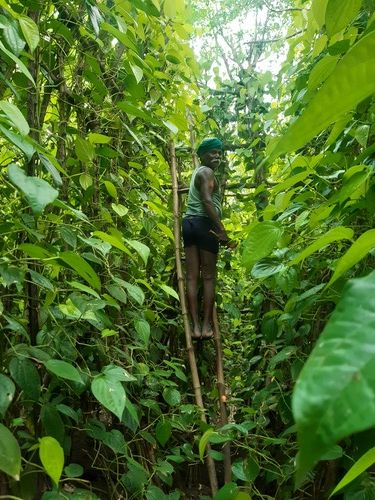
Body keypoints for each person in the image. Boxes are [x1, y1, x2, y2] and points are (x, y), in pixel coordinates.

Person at [182, 137, 232, 340]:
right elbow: (206, 200)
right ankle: (205, 326)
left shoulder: (198, 173)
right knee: (209, 277)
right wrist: (221, 230)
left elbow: (200, 196)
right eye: (212, 153)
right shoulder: (207, 172)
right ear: (202, 155)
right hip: (205, 226)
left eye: (219, 153)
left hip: (189, 224)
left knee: (193, 277)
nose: (217, 156)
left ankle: (194, 327)